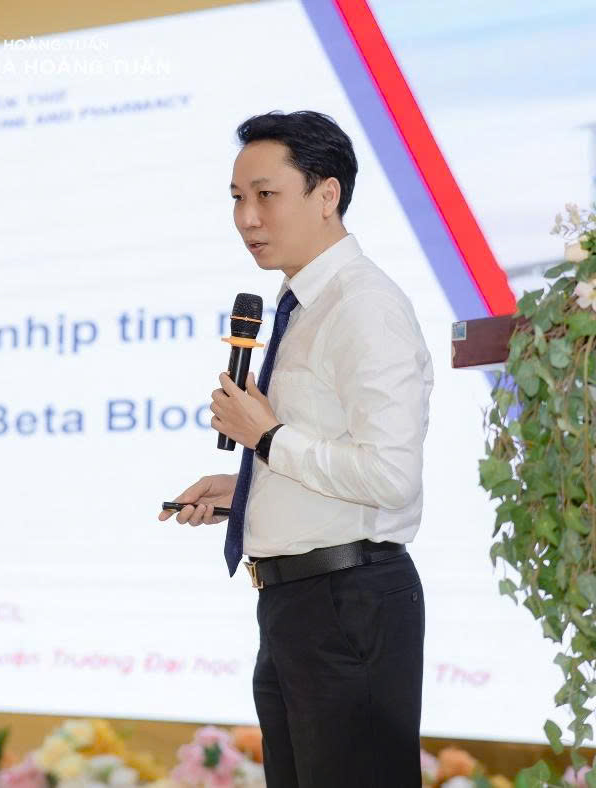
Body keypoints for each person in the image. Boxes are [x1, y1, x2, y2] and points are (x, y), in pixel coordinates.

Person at [157, 110, 434, 787]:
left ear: (326, 194)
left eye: (265, 195)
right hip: (297, 607)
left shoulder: (363, 305)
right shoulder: (303, 303)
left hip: (348, 603)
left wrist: (268, 438)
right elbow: (332, 455)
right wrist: (246, 487)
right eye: (236, 198)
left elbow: (390, 475)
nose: (247, 217)